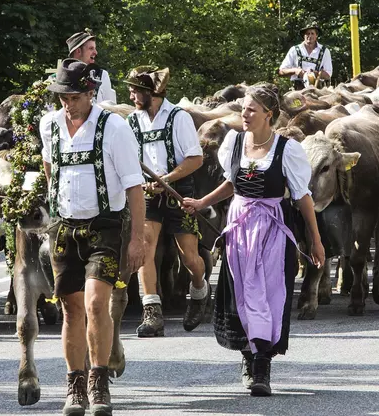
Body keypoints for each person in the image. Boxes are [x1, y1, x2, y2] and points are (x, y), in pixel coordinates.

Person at [182, 84, 325, 396]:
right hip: (240, 225)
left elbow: (302, 197)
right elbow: (232, 183)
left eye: (251, 109)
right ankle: (249, 357)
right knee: (244, 293)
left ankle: (262, 364)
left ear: (268, 115)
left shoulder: (287, 150)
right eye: (243, 108)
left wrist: (315, 240)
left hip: (273, 227)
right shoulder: (232, 143)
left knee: (270, 294)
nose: (244, 114)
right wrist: (202, 202)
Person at [40, 58, 146, 416]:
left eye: (73, 96)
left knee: (96, 304)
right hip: (64, 228)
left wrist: (136, 239)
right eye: (61, 97)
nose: (66, 103)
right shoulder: (49, 125)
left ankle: (98, 382)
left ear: (90, 93)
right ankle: (75, 385)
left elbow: (134, 186)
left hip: (105, 226)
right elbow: (49, 167)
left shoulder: (113, 127)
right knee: (69, 309)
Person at [123, 66, 208, 337]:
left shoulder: (178, 118)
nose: (131, 94)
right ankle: (152, 314)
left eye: (136, 90)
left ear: (152, 92)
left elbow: (196, 159)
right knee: (144, 247)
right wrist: (141, 181)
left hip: (178, 191)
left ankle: (199, 290)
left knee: (189, 257)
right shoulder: (131, 122)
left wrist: (167, 179)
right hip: (147, 192)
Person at [66, 29, 117, 103]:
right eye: (91, 48)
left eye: (95, 48)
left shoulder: (102, 76)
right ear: (78, 51)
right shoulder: (61, 77)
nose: (95, 52)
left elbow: (109, 109)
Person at [279, 22, 332, 90]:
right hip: (297, 90)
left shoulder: (324, 51)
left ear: (316, 35)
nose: (310, 36)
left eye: (312, 33)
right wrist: (295, 71)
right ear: (304, 35)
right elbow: (281, 71)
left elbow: (328, 75)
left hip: (318, 91)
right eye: (307, 33)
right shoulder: (294, 50)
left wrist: (315, 74)